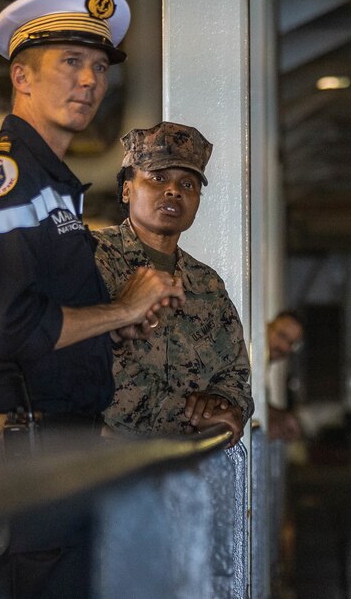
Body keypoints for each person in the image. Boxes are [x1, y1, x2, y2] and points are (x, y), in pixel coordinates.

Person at [0, 0, 183, 598]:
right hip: (26, 452)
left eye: (99, 67)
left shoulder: (53, 185)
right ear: (21, 76)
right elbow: (9, 327)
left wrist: (117, 322)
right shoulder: (8, 177)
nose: (89, 82)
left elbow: (42, 314)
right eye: (70, 63)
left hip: (57, 446)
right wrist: (119, 307)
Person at [93, 122, 253, 447]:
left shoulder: (206, 283)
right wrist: (191, 416)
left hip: (186, 471)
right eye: (158, 178)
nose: (174, 191)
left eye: (189, 184)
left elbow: (236, 375)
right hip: (106, 462)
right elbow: (98, 370)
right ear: (126, 189)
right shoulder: (94, 258)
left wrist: (222, 403)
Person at [266, 311, 304, 441]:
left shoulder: (262, 365)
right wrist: (281, 416)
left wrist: (281, 416)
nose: (285, 347)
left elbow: (251, 400)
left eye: (291, 343)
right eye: (281, 336)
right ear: (267, 327)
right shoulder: (244, 355)